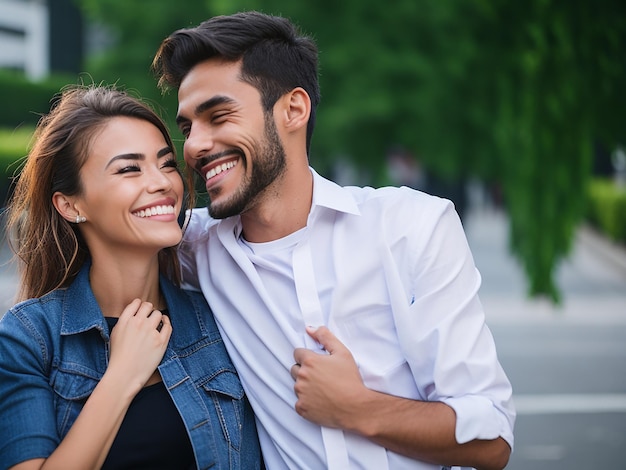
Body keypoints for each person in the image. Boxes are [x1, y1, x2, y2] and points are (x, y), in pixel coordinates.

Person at [152, 11, 515, 470]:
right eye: (187, 128)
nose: (195, 146)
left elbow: (492, 437)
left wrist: (359, 408)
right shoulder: (193, 247)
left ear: (293, 109)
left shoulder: (411, 226)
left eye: (218, 116)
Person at [0, 84, 261, 469]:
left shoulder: (219, 319)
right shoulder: (30, 340)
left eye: (167, 163)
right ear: (70, 205)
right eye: (129, 169)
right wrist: (122, 376)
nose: (162, 183)